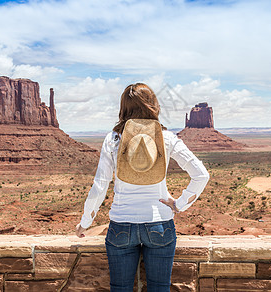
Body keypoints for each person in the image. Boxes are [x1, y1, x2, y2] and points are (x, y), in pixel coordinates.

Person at [76, 83, 210, 291]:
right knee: (159, 287)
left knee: (120, 288)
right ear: (153, 105)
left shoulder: (113, 139)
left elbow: (100, 185)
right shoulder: (166, 138)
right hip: (160, 225)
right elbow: (201, 175)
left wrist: (85, 222)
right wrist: (179, 204)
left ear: (124, 108)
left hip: (121, 225)